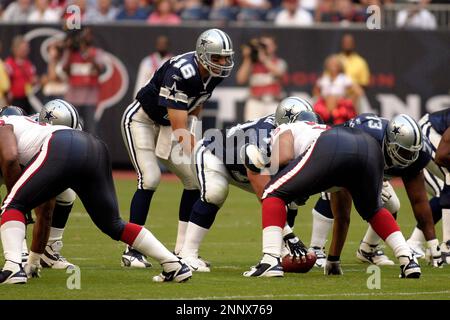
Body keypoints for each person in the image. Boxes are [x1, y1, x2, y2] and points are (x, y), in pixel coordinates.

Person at [0, 113, 192, 284]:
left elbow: (9, 158)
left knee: (11, 205)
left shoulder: (4, 123)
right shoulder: (28, 131)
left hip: (61, 145)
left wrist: (16, 202)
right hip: (94, 147)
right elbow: (46, 212)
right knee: (113, 224)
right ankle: (174, 264)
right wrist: (33, 261)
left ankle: (12, 268)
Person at [242, 112, 421, 278]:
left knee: (272, 194)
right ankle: (408, 260)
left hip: (330, 146)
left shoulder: (286, 128)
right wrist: (334, 259)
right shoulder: (320, 130)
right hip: (369, 148)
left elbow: (285, 157)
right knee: (373, 210)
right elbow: (342, 216)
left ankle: (270, 261)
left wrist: (265, 166)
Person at [121, 28, 234, 268]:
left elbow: (195, 106)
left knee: (193, 180)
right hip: (141, 119)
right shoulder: (181, 72)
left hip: (168, 123)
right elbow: (179, 129)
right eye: (217, 58)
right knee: (150, 178)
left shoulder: (213, 73)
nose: (223, 63)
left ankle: (182, 251)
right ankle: (132, 250)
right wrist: (205, 155)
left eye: (225, 57)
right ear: (203, 54)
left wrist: (197, 144)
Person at [178, 96, 313, 271]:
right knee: (215, 192)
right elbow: (263, 190)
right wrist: (289, 235)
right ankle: (187, 254)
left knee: (290, 197)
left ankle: (280, 251)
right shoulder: (265, 136)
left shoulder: (290, 135)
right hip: (213, 155)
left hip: (244, 167)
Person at [308, 113, 442, 268]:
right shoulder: (368, 134)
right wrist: (372, 184)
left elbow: (419, 200)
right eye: (404, 151)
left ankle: (368, 249)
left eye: (413, 152)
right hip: (342, 158)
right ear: (390, 142)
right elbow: (347, 168)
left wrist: (433, 242)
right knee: (332, 189)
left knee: (392, 206)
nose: (409, 156)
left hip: (372, 171)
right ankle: (316, 248)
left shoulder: (417, 155)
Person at [406, 109, 450, 265]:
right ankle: (445, 248)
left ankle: (414, 244)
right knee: (444, 189)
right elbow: (442, 156)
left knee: (444, 190)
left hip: (438, 134)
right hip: (430, 131)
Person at [62, 28, 106, 135]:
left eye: (88, 35)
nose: (86, 38)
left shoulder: (96, 52)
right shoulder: (70, 52)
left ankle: (90, 150)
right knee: (71, 128)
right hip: (73, 96)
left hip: (90, 97)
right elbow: (65, 68)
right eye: (84, 35)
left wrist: (92, 59)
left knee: (90, 129)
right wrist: (69, 50)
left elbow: (101, 69)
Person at [236, 35, 287, 121]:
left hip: (273, 103)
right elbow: (240, 79)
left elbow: (280, 74)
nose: (265, 48)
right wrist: (248, 58)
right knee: (252, 131)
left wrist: (264, 59)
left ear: (274, 47)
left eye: (268, 45)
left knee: (274, 131)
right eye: (262, 45)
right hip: (255, 103)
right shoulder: (252, 64)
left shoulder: (279, 62)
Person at [312, 54, 362, 125]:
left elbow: (358, 91)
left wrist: (349, 100)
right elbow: (315, 91)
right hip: (324, 108)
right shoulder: (324, 78)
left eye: (335, 64)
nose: (333, 66)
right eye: (331, 64)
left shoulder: (344, 78)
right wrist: (322, 98)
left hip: (340, 108)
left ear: (339, 66)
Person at [4, 35, 38, 115]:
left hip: (27, 99)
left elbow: (33, 78)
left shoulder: (28, 63)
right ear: (15, 49)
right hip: (14, 101)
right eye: (23, 48)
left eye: (27, 48)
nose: (26, 50)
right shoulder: (9, 63)